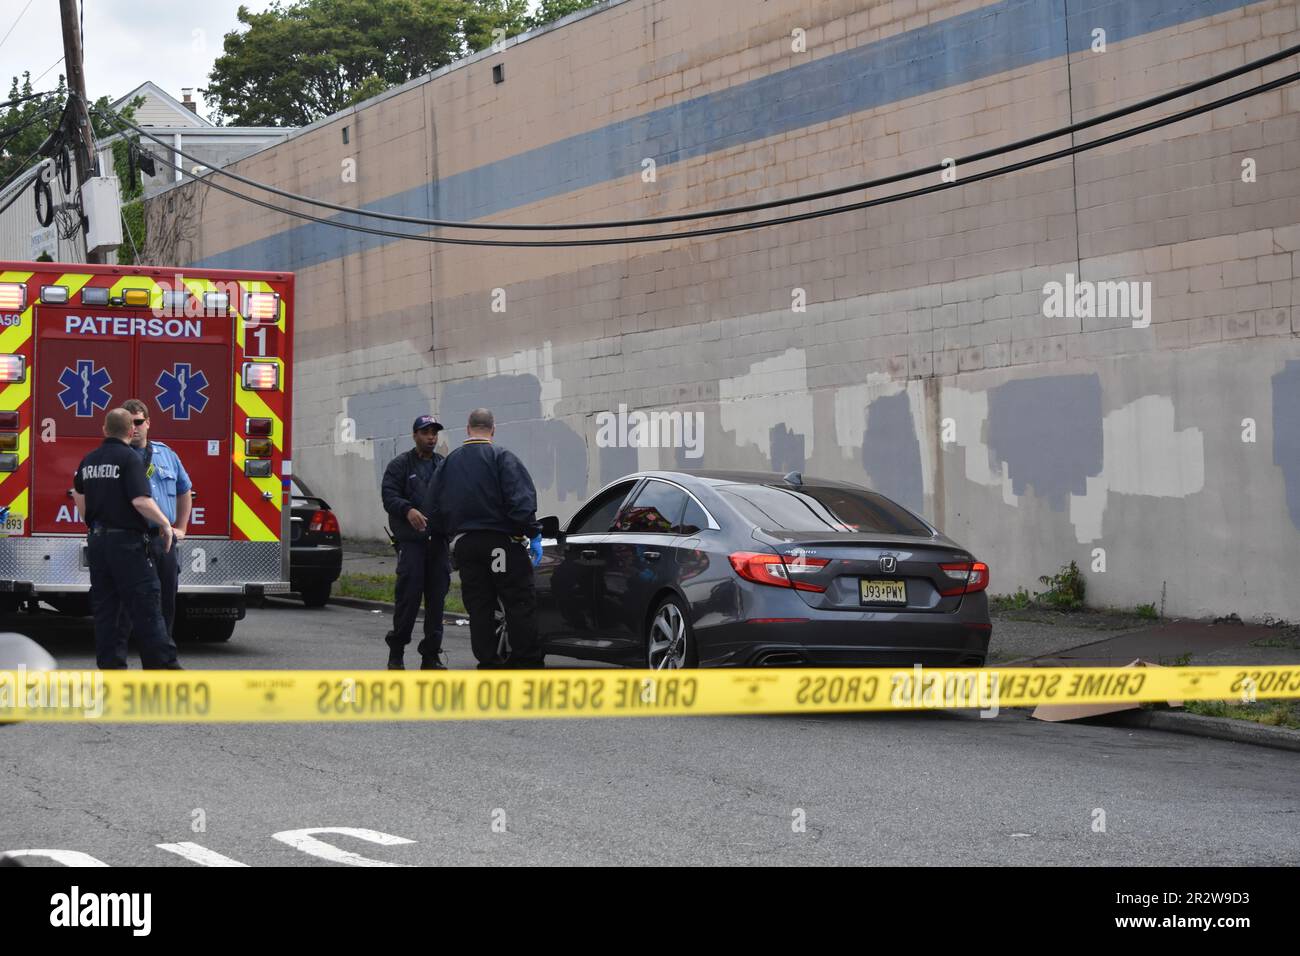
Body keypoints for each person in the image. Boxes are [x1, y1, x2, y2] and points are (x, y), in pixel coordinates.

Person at [427, 408, 544, 669]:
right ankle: (525, 661)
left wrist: (446, 535)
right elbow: (520, 502)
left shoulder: (449, 463)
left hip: (466, 545)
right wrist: (533, 531)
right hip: (500, 545)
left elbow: (433, 506)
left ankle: (488, 661)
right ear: (493, 429)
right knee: (517, 601)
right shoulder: (502, 457)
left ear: (468, 429)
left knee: (479, 606)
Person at [71, 408, 179, 670]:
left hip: (98, 543)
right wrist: (165, 524)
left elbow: (78, 494)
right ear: (131, 431)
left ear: (104, 429)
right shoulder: (129, 459)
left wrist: (94, 522)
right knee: (147, 605)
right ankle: (161, 668)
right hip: (128, 545)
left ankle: (111, 667)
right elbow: (140, 500)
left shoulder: (90, 460)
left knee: (108, 609)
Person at [115, 398, 192, 641]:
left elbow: (184, 489)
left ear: (148, 422)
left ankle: (162, 647)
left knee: (166, 597)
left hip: (162, 539)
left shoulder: (166, 455)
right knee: (125, 600)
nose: (134, 427)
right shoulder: (116, 455)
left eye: (139, 422)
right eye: (129, 423)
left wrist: (181, 527)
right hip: (128, 538)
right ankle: (120, 652)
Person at [380, 414, 451, 670]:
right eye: (425, 432)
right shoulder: (401, 465)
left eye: (434, 433)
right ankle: (396, 652)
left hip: (438, 546)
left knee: (437, 603)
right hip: (412, 546)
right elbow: (389, 495)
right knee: (408, 601)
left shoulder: (442, 465)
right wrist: (407, 510)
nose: (431, 437)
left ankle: (430, 655)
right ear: (415, 435)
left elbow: (452, 497)